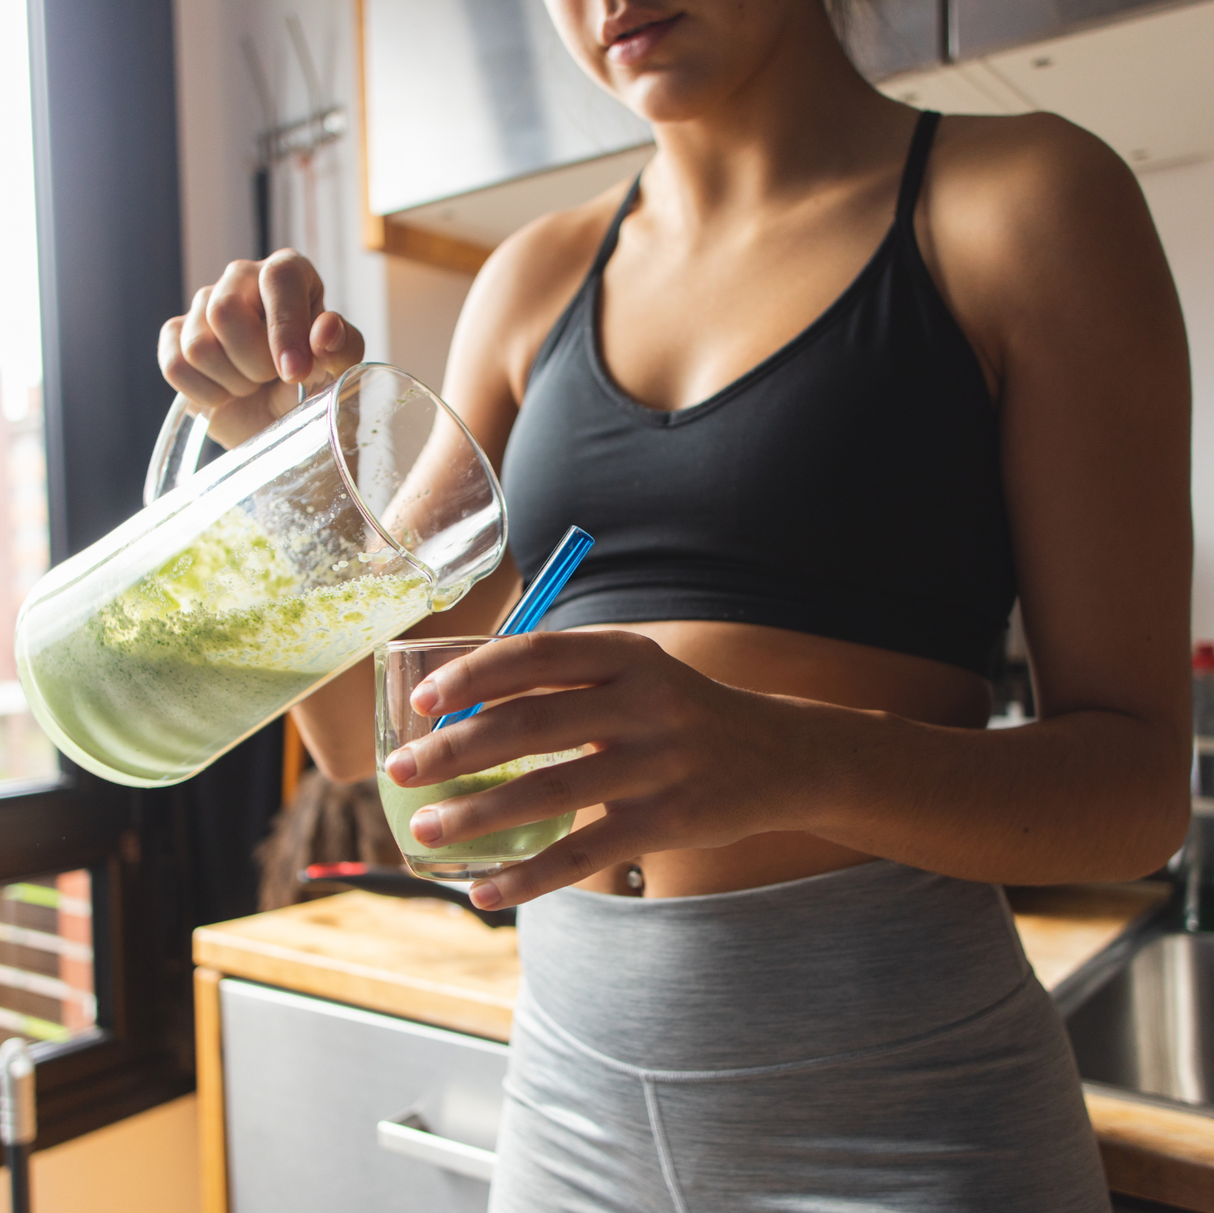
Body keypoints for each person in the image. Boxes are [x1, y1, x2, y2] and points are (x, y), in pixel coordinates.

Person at [160, 1, 1192, 1208]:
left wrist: (785, 756)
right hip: (568, 1114)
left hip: (902, 1127)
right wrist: (273, 462)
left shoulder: (1021, 203)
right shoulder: (529, 281)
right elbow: (363, 739)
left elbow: (1132, 801)